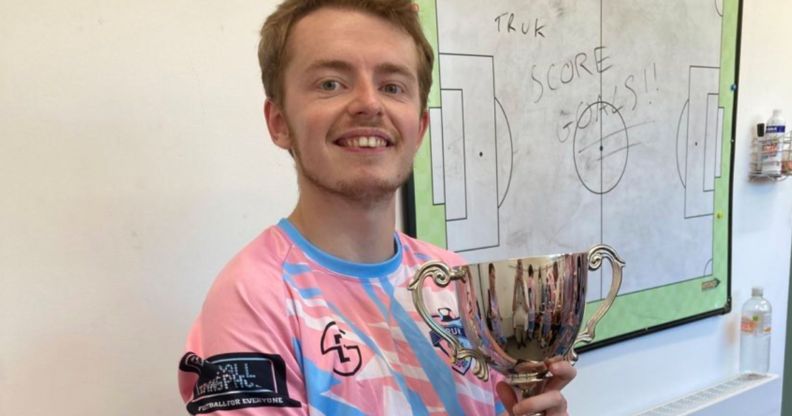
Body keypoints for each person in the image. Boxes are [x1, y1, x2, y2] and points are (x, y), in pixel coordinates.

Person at [177, 1, 575, 415]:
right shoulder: (252, 302)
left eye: (392, 86)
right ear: (279, 122)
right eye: (331, 83)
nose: (369, 104)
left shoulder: (453, 282)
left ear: (418, 128)